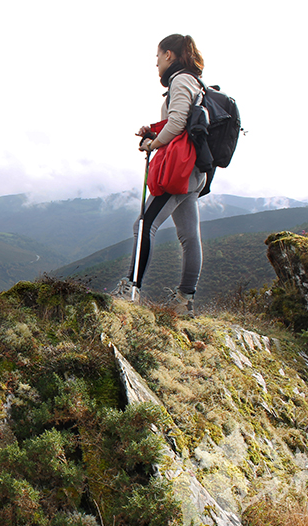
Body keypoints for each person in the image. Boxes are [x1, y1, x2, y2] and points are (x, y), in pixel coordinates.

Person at [115, 34, 206, 317]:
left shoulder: (180, 80)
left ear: (169, 54)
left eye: (157, 57)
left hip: (179, 171)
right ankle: (185, 301)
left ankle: (130, 289)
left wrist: (153, 144)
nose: (156, 63)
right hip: (195, 172)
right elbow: (182, 122)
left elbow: (178, 122)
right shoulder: (196, 82)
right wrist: (154, 130)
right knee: (189, 236)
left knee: (144, 225)